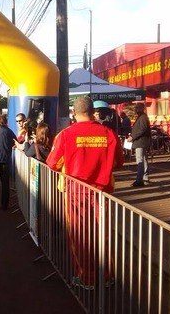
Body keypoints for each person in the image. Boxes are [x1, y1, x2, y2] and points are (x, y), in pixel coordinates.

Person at [46, 96, 124, 290]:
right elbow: (119, 162)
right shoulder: (109, 133)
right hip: (102, 192)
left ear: (74, 113)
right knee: (103, 234)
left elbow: (52, 163)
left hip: (75, 192)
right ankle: (106, 276)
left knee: (80, 236)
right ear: (93, 112)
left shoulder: (65, 134)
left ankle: (87, 278)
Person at [127, 103, 151, 187]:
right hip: (140, 142)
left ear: (142, 108)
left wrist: (132, 137)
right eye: (135, 107)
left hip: (140, 142)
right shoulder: (141, 117)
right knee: (143, 160)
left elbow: (142, 129)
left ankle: (139, 179)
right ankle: (144, 177)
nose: (136, 109)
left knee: (140, 160)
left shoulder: (143, 117)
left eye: (137, 107)